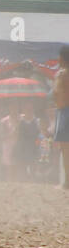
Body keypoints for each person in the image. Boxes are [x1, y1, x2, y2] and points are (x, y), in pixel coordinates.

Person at [54, 47, 69, 189]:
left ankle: (67, 182)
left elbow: (56, 93)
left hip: (65, 111)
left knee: (66, 149)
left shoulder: (61, 74)